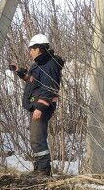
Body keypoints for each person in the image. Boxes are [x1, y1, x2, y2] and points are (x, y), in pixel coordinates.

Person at [10, 34, 66, 177]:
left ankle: (43, 171)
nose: (30, 52)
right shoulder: (40, 64)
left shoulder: (50, 63)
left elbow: (50, 87)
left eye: (31, 49)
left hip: (42, 107)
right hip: (36, 105)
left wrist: (40, 107)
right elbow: (33, 81)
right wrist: (19, 71)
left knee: (37, 138)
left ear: (39, 49)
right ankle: (39, 168)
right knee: (35, 138)